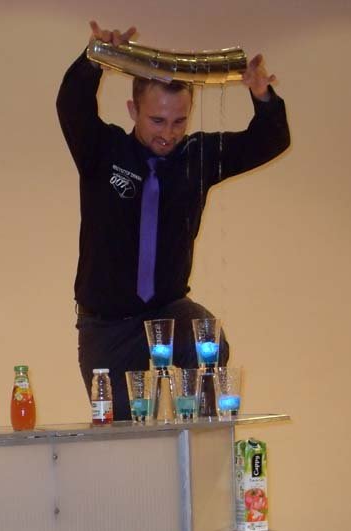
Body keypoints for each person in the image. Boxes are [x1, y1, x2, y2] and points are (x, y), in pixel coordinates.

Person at [56, 21, 290, 420]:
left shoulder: (196, 158)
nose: (168, 134)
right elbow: (71, 106)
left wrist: (262, 97)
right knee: (123, 432)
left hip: (168, 310)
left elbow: (269, 140)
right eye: (157, 121)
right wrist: (94, 58)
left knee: (209, 340)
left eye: (179, 122)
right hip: (107, 325)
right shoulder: (103, 150)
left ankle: (204, 433)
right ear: (133, 110)